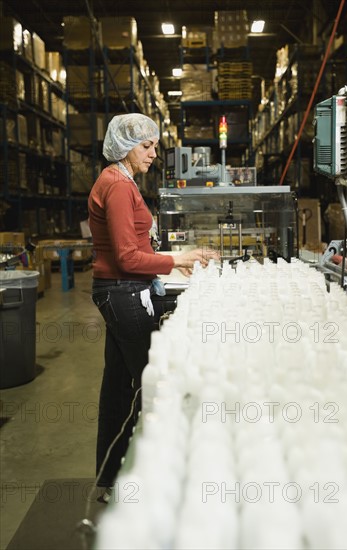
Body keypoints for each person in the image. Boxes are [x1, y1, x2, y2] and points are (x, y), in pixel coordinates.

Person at [88, 113, 219, 495]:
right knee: (154, 384)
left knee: (117, 388)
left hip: (122, 289)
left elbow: (135, 249)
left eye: (154, 145)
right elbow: (127, 256)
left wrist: (165, 266)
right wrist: (177, 260)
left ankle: (110, 478)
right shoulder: (116, 186)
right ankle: (148, 483)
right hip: (122, 291)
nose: (153, 153)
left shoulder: (122, 181)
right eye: (146, 146)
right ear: (126, 146)